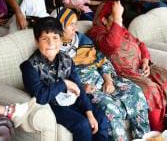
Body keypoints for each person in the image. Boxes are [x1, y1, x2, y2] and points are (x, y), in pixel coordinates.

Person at [88, 1, 167, 131]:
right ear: (104, 20)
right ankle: (159, 133)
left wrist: (145, 60)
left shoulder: (120, 29)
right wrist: (117, 18)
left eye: (120, 17)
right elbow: (111, 44)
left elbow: (140, 43)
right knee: (151, 90)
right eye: (116, 17)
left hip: (141, 67)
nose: (120, 22)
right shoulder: (96, 33)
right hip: (124, 74)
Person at [58, 9, 151, 141]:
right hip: (87, 88)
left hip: (103, 78)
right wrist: (81, 87)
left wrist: (108, 81)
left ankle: (143, 138)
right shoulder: (55, 50)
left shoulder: (83, 40)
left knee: (135, 92)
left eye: (76, 23)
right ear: (60, 27)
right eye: (71, 24)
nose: (75, 27)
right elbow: (60, 79)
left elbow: (102, 60)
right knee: (109, 108)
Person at [21, 17, 110, 141]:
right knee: (82, 125)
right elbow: (40, 97)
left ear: (61, 39)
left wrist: (89, 112)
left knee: (100, 118)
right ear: (37, 42)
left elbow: (78, 87)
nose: (51, 43)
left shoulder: (66, 59)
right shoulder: (29, 67)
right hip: (52, 106)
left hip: (70, 100)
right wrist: (64, 83)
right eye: (44, 39)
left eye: (55, 38)